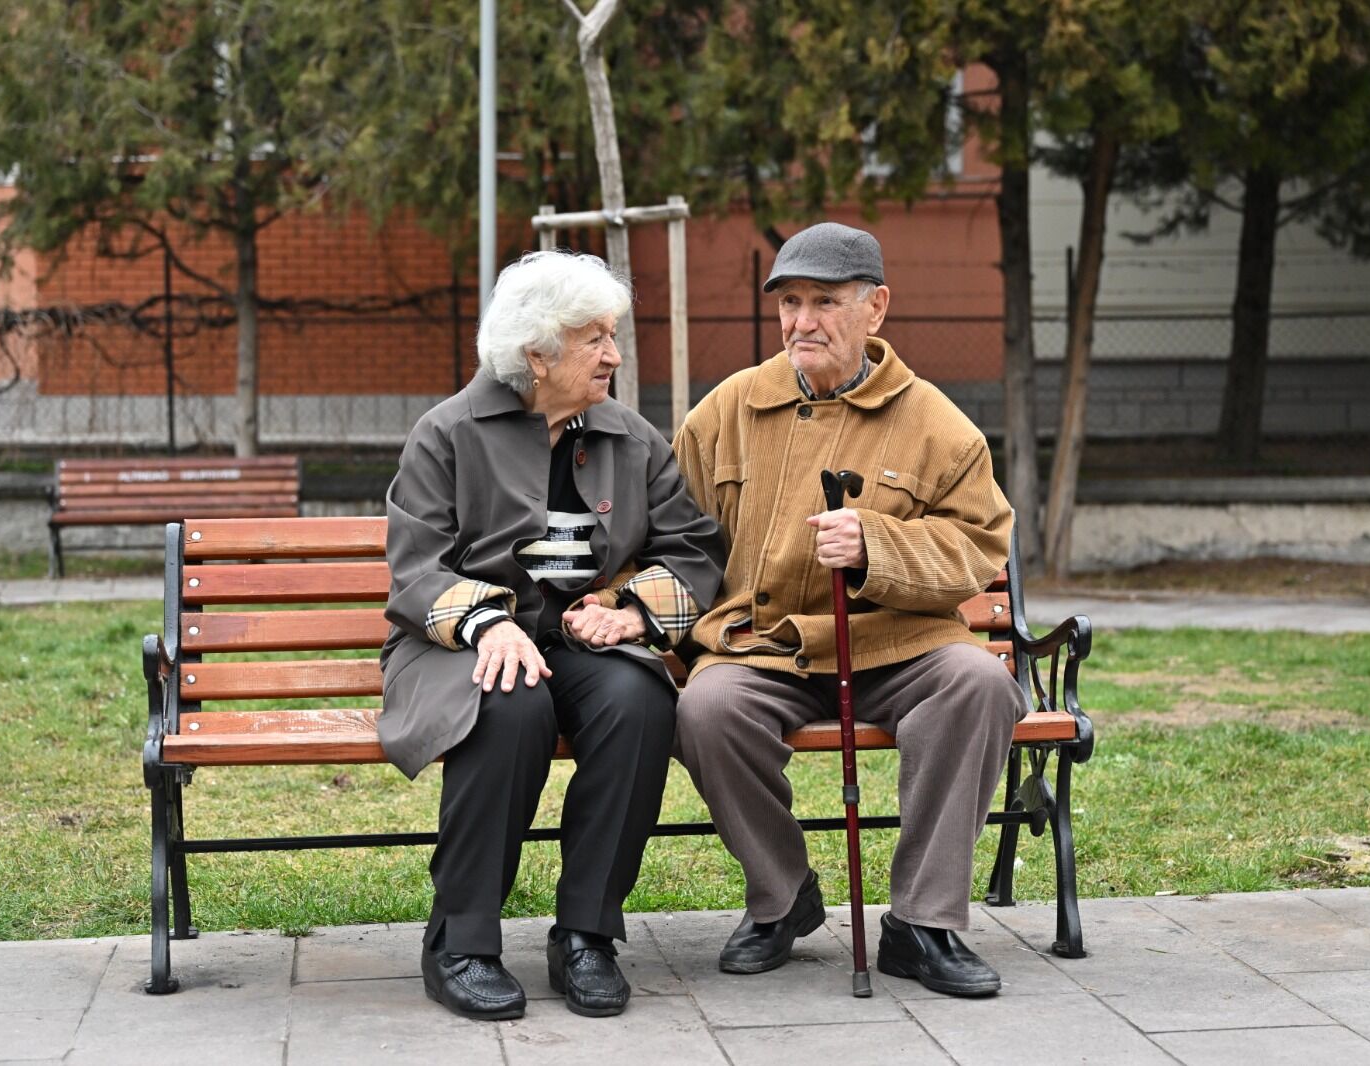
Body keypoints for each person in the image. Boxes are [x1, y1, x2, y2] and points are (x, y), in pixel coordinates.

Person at [670, 222, 1027, 997]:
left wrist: (878, 547)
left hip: (897, 644)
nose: (802, 322)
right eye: (790, 302)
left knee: (979, 682)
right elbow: (670, 532)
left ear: (876, 309)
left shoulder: (936, 423)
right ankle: (783, 897)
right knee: (706, 708)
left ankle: (922, 925)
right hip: (764, 645)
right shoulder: (726, 410)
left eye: (825, 302)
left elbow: (979, 547)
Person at [380, 250, 725, 1021]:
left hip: (582, 641)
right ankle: (461, 943)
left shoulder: (629, 437)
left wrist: (633, 614)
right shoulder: (447, 434)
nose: (613, 353)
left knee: (640, 700)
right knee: (510, 703)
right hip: (459, 647)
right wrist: (488, 623)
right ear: (536, 354)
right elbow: (415, 570)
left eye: (612, 334)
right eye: (594, 337)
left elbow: (694, 549)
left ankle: (586, 936)